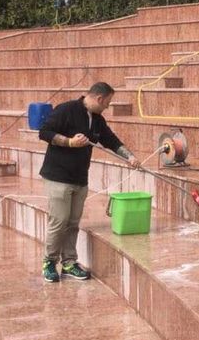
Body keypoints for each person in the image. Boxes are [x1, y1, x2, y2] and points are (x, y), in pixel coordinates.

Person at [38, 82, 139, 283]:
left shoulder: (97, 120)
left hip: (79, 179)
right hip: (59, 177)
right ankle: (49, 262)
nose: (107, 107)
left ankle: (68, 263)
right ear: (99, 99)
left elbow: (111, 140)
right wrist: (69, 142)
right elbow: (44, 132)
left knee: (73, 223)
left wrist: (130, 157)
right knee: (59, 221)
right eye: (107, 103)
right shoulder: (67, 109)